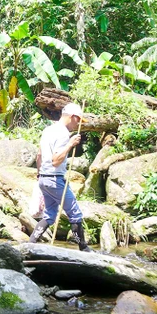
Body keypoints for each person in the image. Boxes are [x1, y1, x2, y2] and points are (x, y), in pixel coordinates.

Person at [29, 102, 90, 251]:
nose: (78, 125)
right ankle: (83, 248)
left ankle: (30, 244)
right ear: (73, 117)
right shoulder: (63, 133)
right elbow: (56, 161)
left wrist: (40, 175)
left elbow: (39, 155)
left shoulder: (48, 130)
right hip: (55, 179)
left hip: (44, 178)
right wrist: (70, 144)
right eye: (79, 121)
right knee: (75, 213)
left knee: (49, 215)